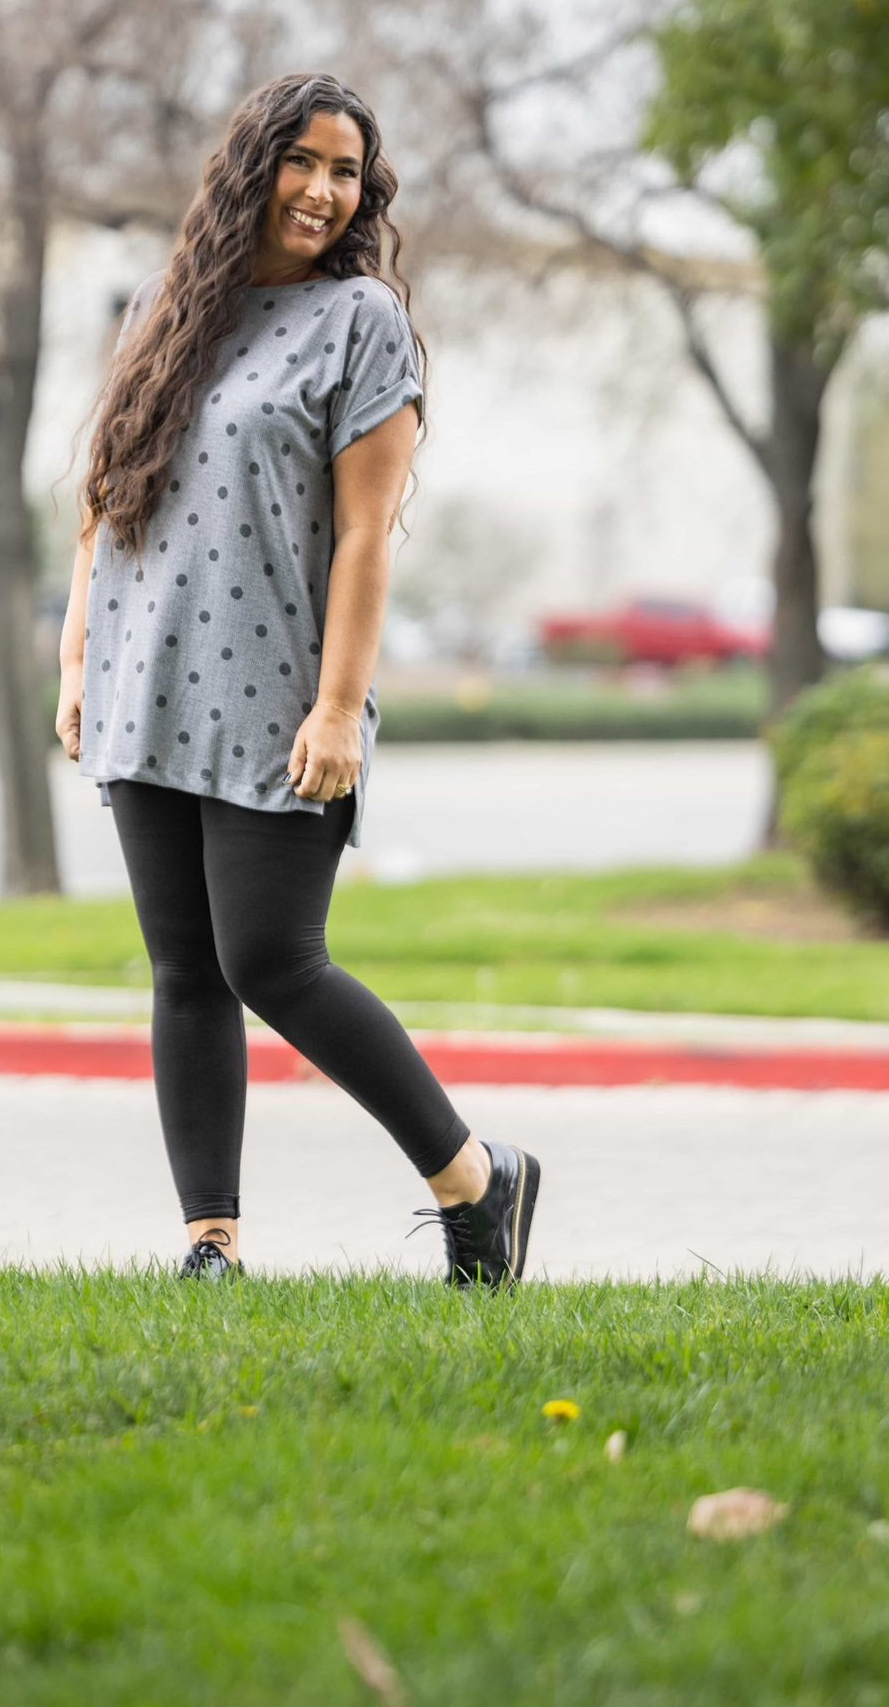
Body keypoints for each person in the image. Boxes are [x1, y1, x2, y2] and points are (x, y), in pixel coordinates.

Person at [56, 71, 540, 1289]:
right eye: (304, 162)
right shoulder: (167, 309)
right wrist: (77, 655)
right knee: (181, 967)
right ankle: (208, 1241)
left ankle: (476, 1177)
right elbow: (106, 493)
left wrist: (337, 706)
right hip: (147, 674)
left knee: (270, 957)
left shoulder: (362, 320)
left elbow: (369, 536)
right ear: (252, 168)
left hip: (279, 693)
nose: (324, 191)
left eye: (346, 172)